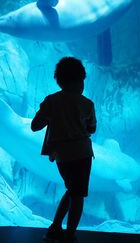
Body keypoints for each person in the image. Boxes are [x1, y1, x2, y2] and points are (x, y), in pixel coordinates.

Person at [31, 57, 97, 243]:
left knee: (72, 190)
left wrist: (51, 118)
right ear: (79, 81)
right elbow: (92, 129)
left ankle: (54, 228)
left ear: (58, 81)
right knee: (78, 195)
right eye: (82, 81)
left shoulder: (51, 101)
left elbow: (35, 126)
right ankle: (69, 236)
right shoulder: (87, 104)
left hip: (61, 156)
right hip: (82, 154)